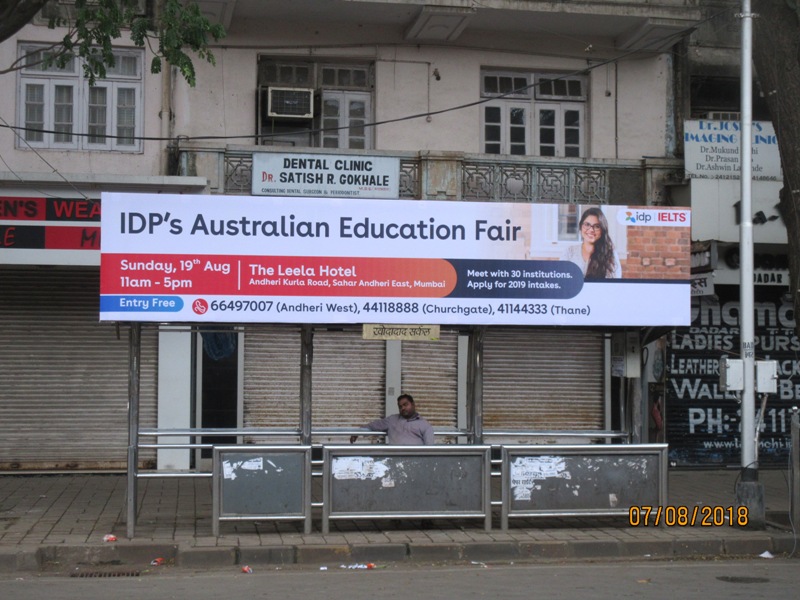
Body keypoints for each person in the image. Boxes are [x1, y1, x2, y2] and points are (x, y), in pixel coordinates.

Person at [561, 207, 622, 279]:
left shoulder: (610, 254)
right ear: (580, 227)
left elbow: (615, 282)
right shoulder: (569, 251)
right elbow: (562, 280)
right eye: (587, 225)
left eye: (597, 226)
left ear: (602, 230)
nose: (591, 230)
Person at [350, 393, 434, 445]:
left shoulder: (425, 425)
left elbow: (429, 449)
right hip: (395, 461)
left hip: (416, 462)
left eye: (405, 405)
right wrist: (359, 432)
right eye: (400, 406)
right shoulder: (392, 420)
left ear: (413, 404)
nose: (403, 408)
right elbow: (374, 425)